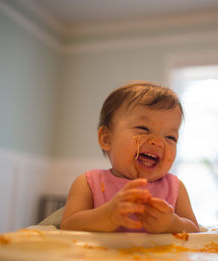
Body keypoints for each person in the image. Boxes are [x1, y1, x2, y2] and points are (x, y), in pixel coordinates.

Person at [60, 81, 199, 233]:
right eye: (143, 128)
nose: (158, 142)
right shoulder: (88, 183)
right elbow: (68, 225)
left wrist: (172, 223)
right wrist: (106, 216)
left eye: (170, 137)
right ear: (106, 139)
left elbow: (194, 230)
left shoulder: (175, 188)